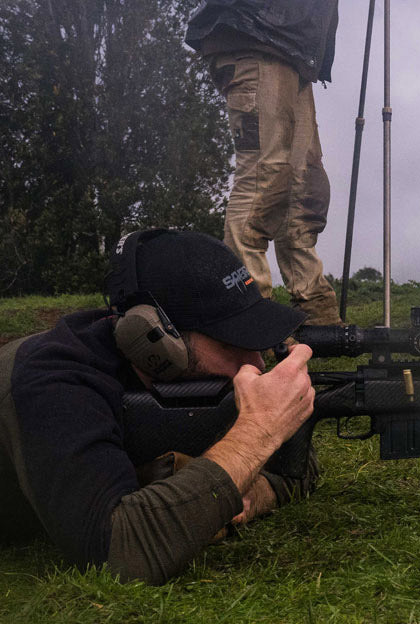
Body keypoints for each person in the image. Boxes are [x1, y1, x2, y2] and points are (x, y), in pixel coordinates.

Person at [0, 229, 317, 585]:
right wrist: (256, 433)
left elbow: (297, 467)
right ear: (156, 338)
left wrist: (250, 495)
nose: (256, 364)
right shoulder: (55, 383)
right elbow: (117, 553)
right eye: (234, 341)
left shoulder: (189, 384)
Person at [186, 0, 342, 326]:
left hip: (290, 49)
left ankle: (316, 312)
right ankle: (250, 320)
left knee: (304, 188)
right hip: (255, 34)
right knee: (263, 179)